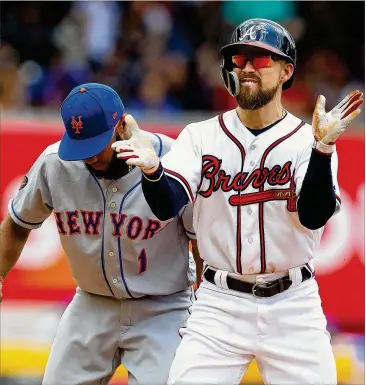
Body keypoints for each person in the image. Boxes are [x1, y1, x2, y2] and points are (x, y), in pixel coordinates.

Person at [113, 19, 363, 384]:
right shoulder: (200, 137)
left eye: (261, 60)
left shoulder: (306, 140)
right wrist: (152, 172)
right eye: (240, 59)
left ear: (285, 71)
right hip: (219, 304)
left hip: (292, 305)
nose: (247, 67)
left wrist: (322, 150)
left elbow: (313, 216)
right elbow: (166, 206)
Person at [0, 83, 201, 385]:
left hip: (165, 308)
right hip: (91, 303)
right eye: (80, 146)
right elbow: (17, 224)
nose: (90, 157)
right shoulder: (56, 163)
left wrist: (206, 303)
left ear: (120, 125)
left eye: (96, 146)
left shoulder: (172, 158)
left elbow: (200, 238)